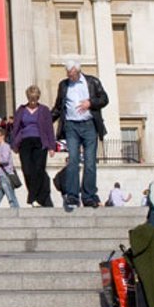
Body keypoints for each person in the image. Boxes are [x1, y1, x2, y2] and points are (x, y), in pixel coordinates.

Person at [51, 60, 109, 211]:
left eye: (73, 74)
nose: (71, 77)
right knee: (73, 160)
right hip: (71, 126)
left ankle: (89, 196)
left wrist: (90, 103)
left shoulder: (92, 82)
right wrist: (45, 121)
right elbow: (58, 107)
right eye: (68, 75)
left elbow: (104, 99)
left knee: (90, 162)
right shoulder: (63, 85)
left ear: (78, 71)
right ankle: (72, 195)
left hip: (89, 124)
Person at [9, 85, 57, 207]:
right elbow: (16, 127)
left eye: (35, 99)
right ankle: (35, 196)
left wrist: (52, 146)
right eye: (31, 99)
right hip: (25, 141)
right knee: (27, 170)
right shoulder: (21, 110)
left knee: (39, 169)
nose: (33, 102)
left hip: (40, 141)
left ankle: (33, 198)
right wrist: (14, 143)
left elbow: (49, 128)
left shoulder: (44, 110)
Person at [0, 128, 19, 209]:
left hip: (5, 176)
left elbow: (5, 159)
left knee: (11, 198)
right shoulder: (0, 147)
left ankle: (16, 213)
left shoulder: (5, 146)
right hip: (0, 176)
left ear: (3, 136)